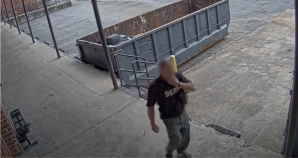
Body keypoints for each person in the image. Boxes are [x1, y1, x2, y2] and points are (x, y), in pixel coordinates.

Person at [146, 60, 196, 158]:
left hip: (182, 112)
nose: (170, 73)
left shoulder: (178, 76)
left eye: (171, 70)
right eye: (167, 71)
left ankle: (181, 151)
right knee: (176, 138)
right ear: (161, 72)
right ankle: (169, 151)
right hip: (169, 117)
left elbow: (192, 87)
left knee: (186, 135)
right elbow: (150, 106)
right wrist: (152, 122)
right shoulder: (155, 87)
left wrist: (179, 84)